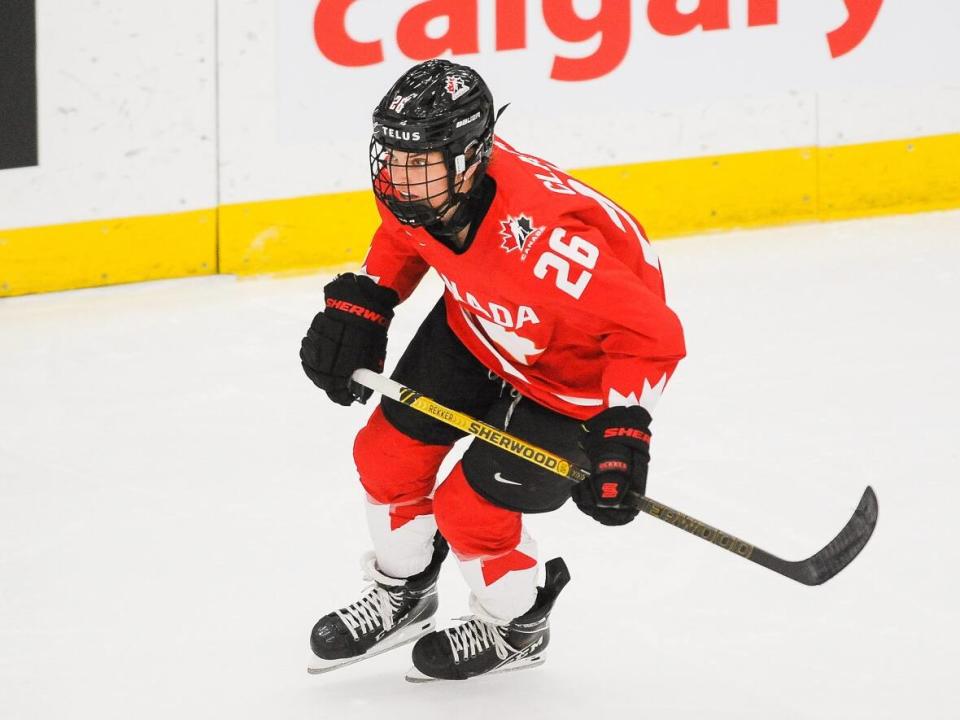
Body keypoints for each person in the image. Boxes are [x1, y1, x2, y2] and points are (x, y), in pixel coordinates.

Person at [301, 59, 685, 682]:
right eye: (393, 158)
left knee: (468, 510)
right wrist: (368, 301)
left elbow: (652, 334)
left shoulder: (550, 243)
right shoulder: (424, 186)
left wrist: (623, 429)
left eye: (419, 163)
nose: (399, 178)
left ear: (472, 156)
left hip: (572, 380)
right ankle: (403, 596)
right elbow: (406, 235)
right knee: (385, 455)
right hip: (480, 328)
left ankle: (518, 624)